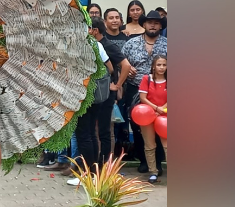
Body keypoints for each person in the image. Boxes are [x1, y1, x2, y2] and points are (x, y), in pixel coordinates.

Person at [66, 20, 114, 186]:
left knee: (83, 135)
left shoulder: (76, 46)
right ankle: (94, 174)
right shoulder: (97, 45)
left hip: (83, 94)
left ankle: (88, 176)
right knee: (91, 134)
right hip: (98, 95)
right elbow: (111, 68)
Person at [121, 10, 167, 173]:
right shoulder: (131, 43)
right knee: (139, 125)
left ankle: (158, 163)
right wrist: (128, 68)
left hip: (161, 90)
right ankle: (144, 161)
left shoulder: (168, 43)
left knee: (161, 126)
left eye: (156, 22)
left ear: (160, 26)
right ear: (144, 24)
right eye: (149, 22)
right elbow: (121, 62)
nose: (153, 25)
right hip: (136, 90)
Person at [91, 17, 131, 165]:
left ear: (95, 31)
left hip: (106, 94)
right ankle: (95, 162)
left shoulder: (108, 46)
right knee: (92, 131)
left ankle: (105, 164)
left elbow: (126, 65)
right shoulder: (92, 45)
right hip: (94, 93)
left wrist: (117, 85)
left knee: (104, 130)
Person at [137, 55, 167, 182]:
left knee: (167, 145)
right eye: (159, 65)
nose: (161, 67)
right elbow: (143, 98)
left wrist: (162, 109)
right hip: (147, 115)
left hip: (165, 116)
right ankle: (153, 172)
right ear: (153, 66)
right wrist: (156, 108)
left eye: (164, 65)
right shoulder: (146, 79)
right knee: (149, 145)